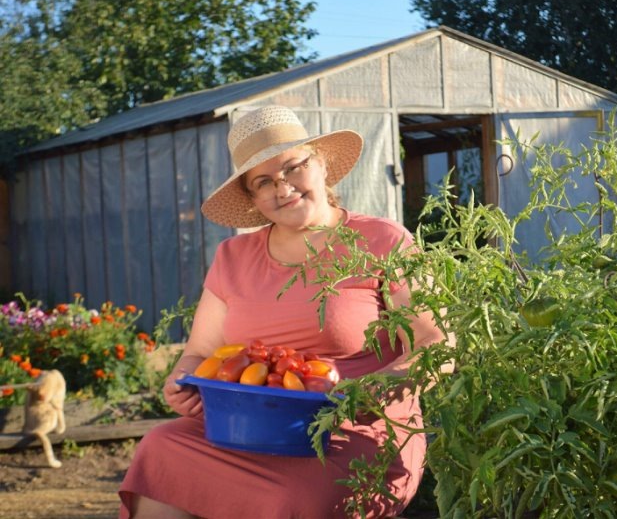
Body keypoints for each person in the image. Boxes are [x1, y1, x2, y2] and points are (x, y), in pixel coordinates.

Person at [118, 105, 450, 518]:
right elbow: (199, 352)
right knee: (160, 449)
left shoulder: (381, 240)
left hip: (351, 431)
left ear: (321, 164)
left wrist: (364, 393)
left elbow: (437, 346)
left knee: (293, 497)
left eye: (293, 167)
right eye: (264, 181)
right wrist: (182, 383)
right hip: (246, 428)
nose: (283, 187)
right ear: (253, 199)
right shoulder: (233, 256)